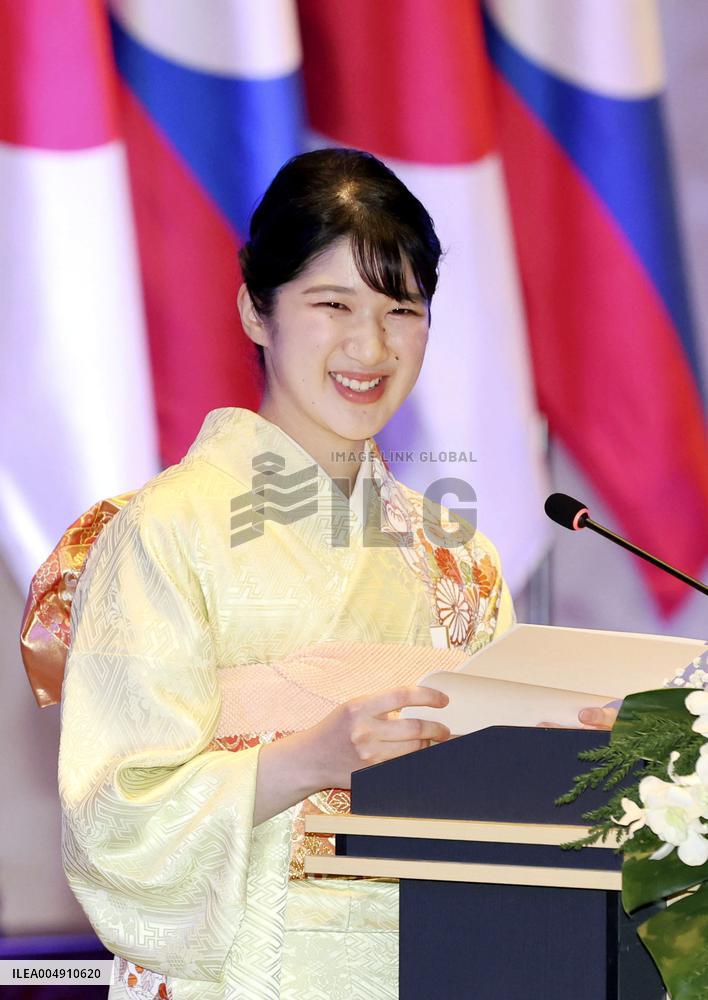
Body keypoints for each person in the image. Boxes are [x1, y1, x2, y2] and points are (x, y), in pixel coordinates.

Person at [57, 147, 603, 1000]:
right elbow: (112, 818)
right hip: (246, 971)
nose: (370, 345)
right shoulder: (163, 530)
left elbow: (498, 817)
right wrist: (308, 759)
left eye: (402, 309)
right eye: (332, 303)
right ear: (254, 310)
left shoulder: (458, 555)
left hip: (433, 961)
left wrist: (574, 753)